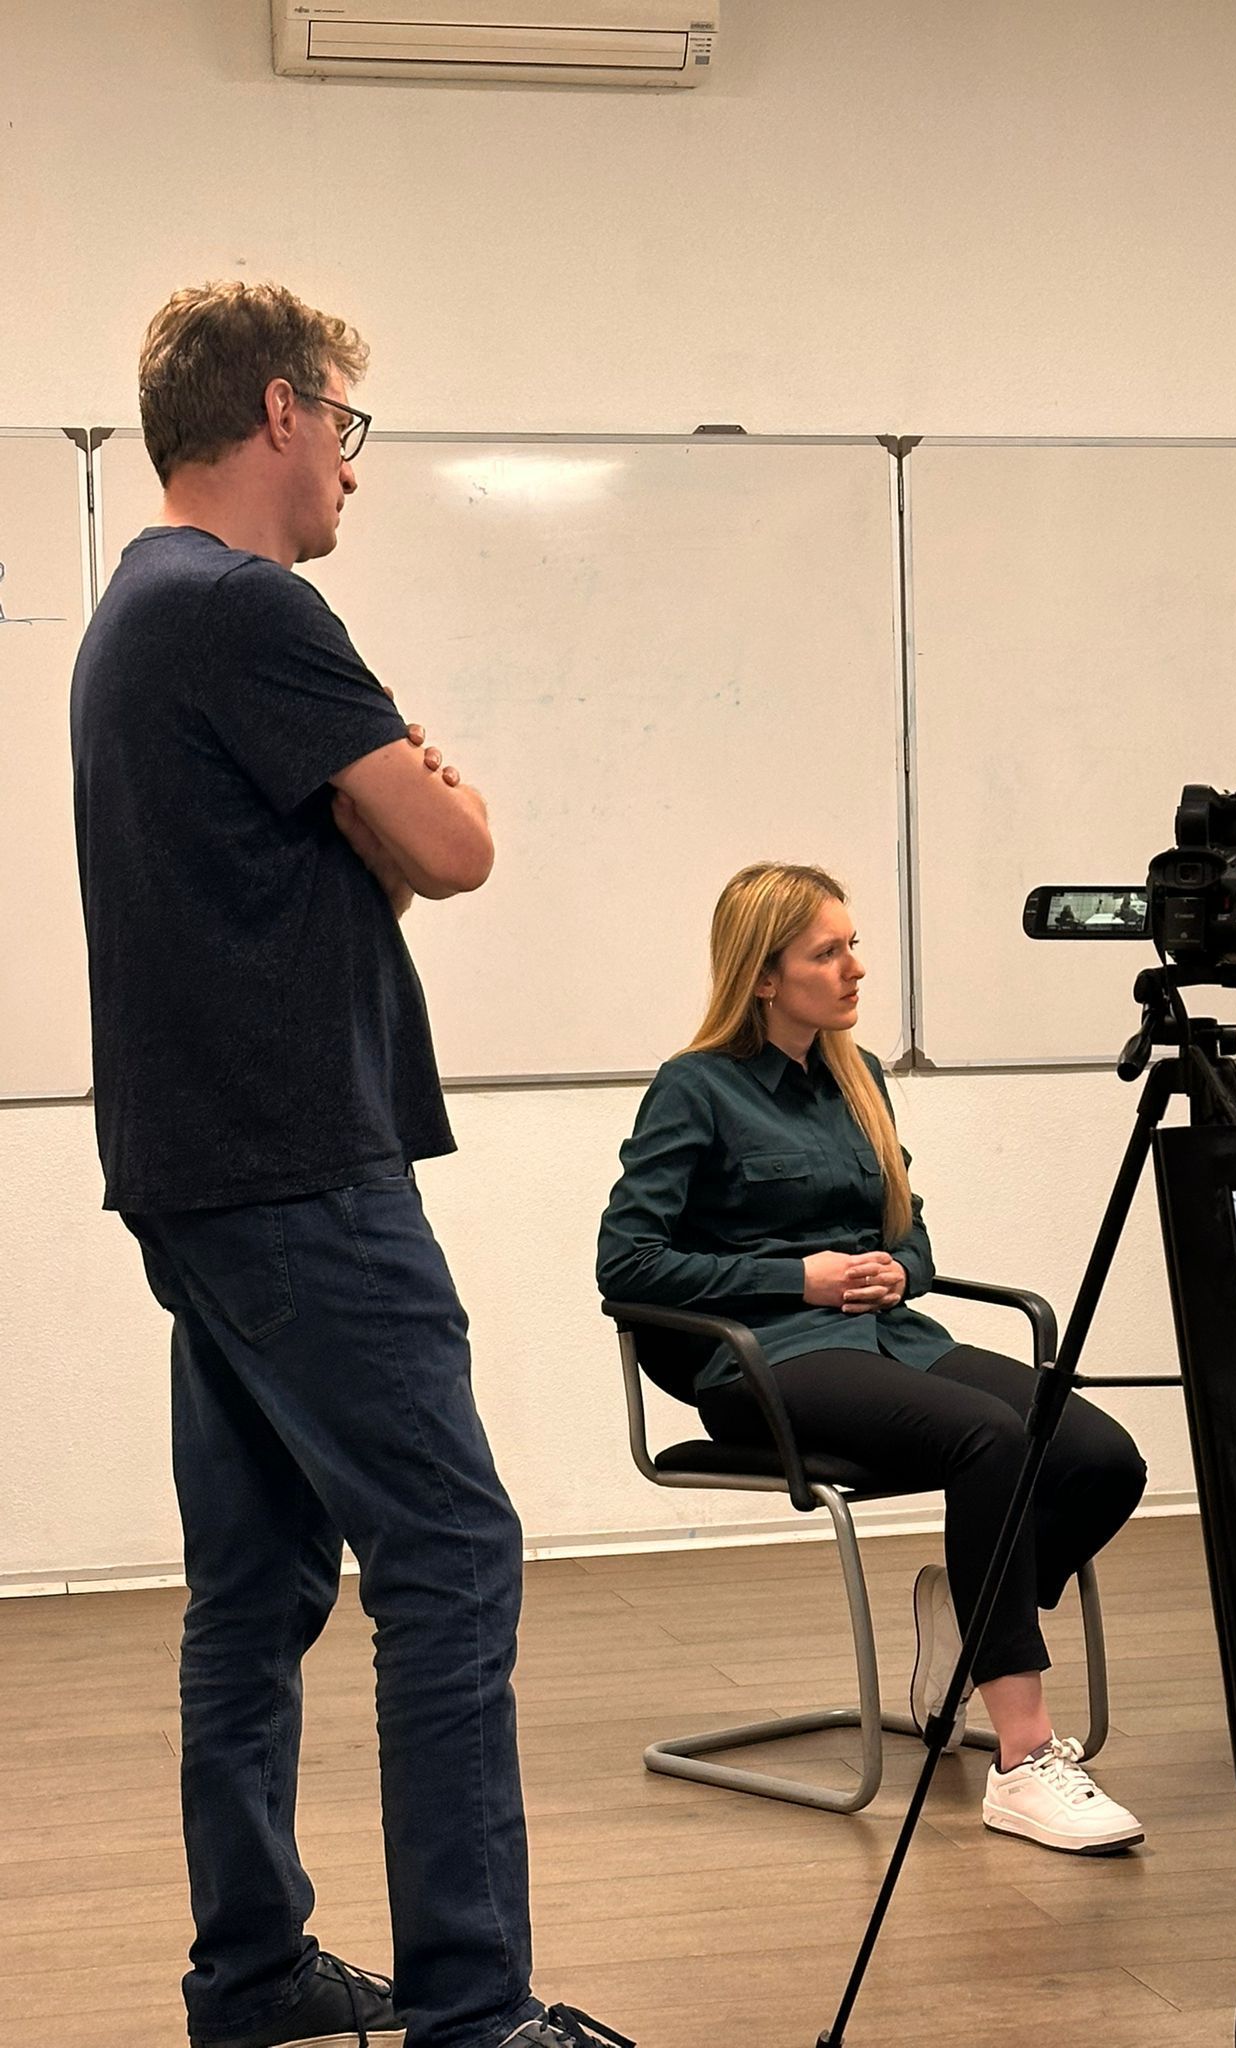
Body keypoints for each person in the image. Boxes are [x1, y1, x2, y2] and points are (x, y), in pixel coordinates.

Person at [70, 282, 631, 2048]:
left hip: (203, 1174)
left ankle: (251, 1971)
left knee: (256, 1583)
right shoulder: (250, 607)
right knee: (452, 1550)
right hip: (301, 1174)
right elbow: (453, 845)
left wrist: (370, 829)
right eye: (349, 436)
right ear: (286, 411)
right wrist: (400, 810)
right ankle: (479, 2009)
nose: (354, 479)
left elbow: (348, 873)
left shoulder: (138, 612)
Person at [596, 861, 1147, 1854]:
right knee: (989, 1438)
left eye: (854, 944)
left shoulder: (859, 1076)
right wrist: (792, 1279)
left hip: (892, 1340)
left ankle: (964, 1614)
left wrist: (899, 1268)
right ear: (764, 975)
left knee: (1099, 1453)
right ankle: (1023, 1760)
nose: (855, 967)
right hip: (767, 1363)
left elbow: (915, 1235)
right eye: (827, 951)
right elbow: (626, 1261)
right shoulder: (697, 1088)